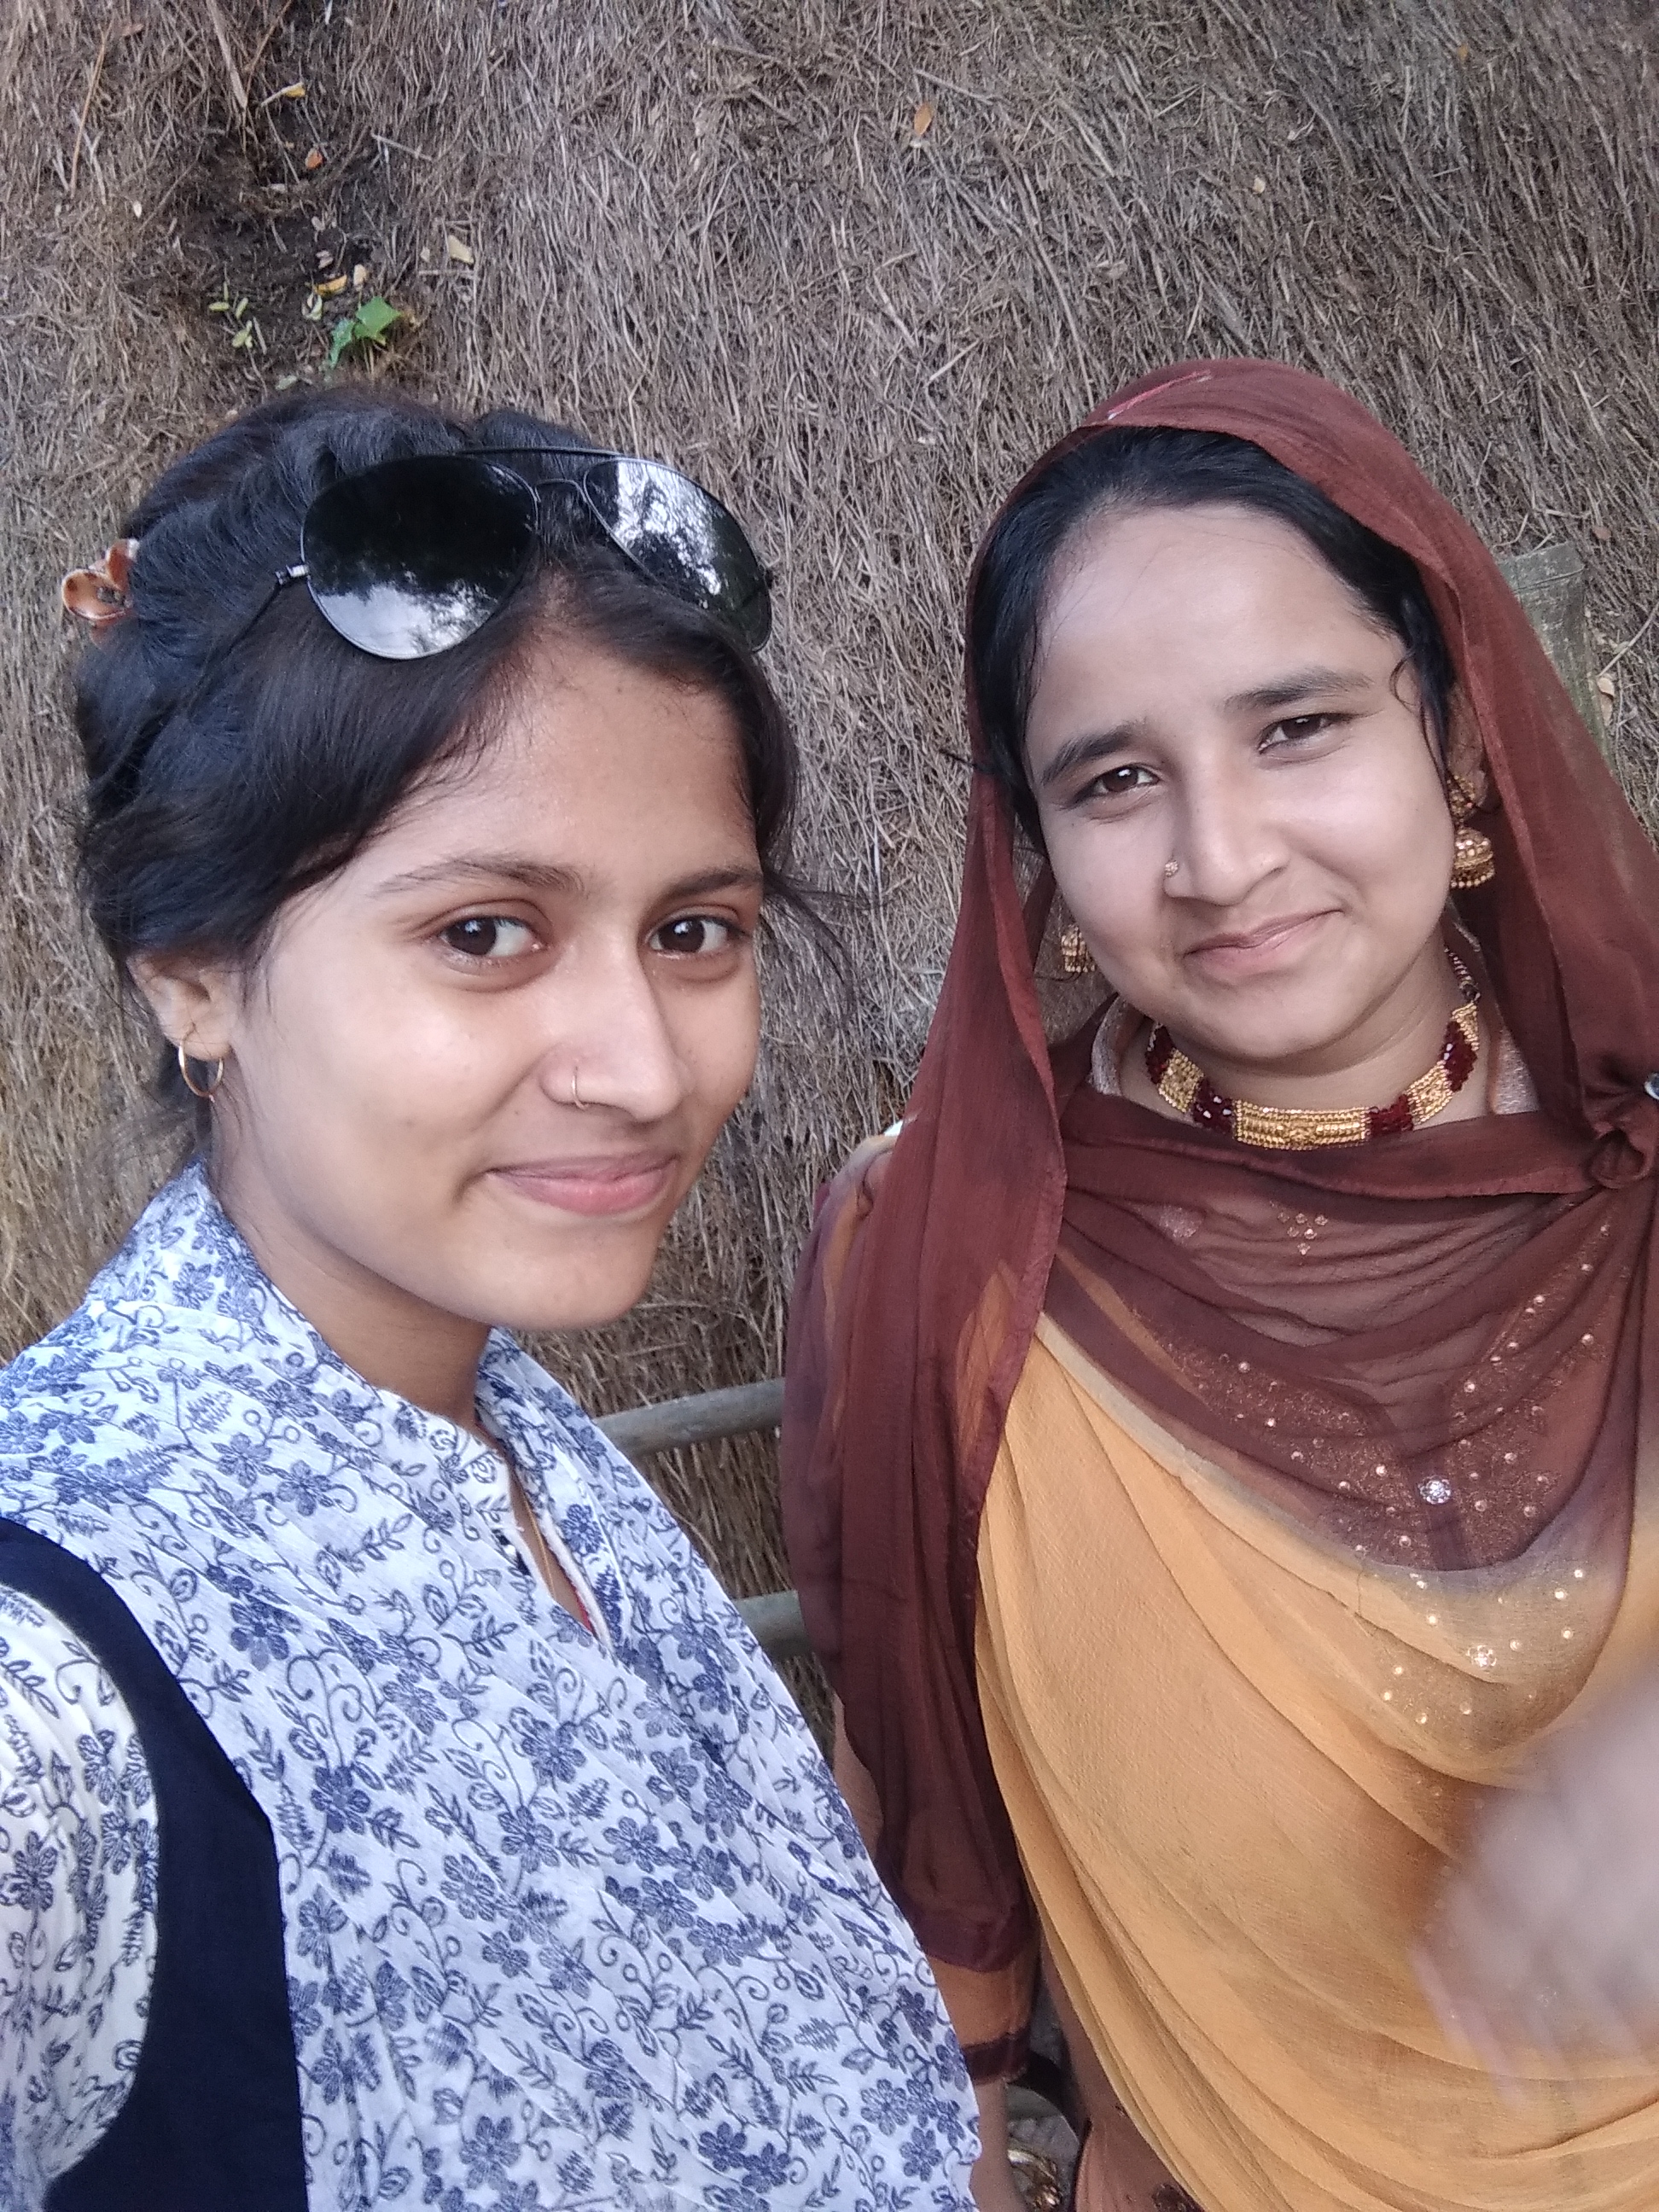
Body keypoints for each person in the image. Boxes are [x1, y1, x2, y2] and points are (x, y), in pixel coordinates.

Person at [0, 387, 978, 2211]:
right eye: (482, 933)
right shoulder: (54, 1670)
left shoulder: (513, 1438)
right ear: (191, 972)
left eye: (694, 931)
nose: (643, 1067)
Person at [781, 358, 1659, 2212]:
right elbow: (919, 1841)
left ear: (1458, 738)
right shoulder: (937, 1261)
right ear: (1032, 845)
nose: (1223, 856)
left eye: (1300, 726)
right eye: (1116, 779)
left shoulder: (1643, 1170)